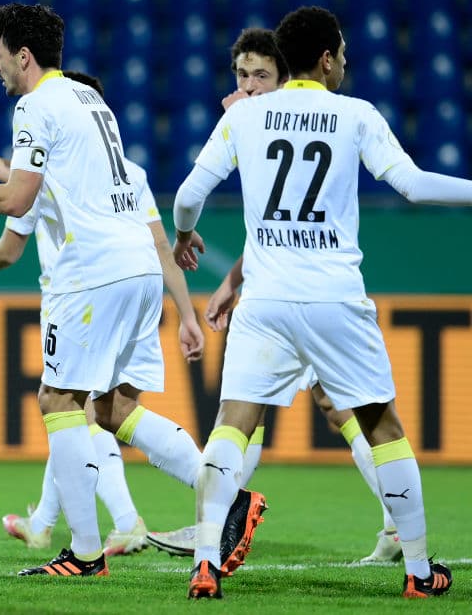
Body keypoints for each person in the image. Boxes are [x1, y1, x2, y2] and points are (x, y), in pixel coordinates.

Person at [0, 3, 269, 579]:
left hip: (91, 271)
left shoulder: (33, 105)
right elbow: (53, 178)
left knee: (57, 401)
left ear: (23, 55)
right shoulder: (88, 100)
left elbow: (19, 202)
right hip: (135, 267)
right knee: (114, 407)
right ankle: (226, 495)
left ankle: (83, 553)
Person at [172, 6, 461, 599]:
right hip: (334, 298)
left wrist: (182, 235)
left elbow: (186, 197)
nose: (346, 63)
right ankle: (417, 570)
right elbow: (411, 183)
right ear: (327, 59)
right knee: (381, 424)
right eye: (344, 54)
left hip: (267, 301)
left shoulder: (245, 118)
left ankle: (205, 561)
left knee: (232, 425)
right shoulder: (355, 114)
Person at [146, 28, 400, 565]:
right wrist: (233, 281)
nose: (249, 84)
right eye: (241, 74)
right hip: (293, 285)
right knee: (327, 407)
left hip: (307, 291)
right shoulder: (256, 118)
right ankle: (395, 527)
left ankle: (221, 518)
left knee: (254, 408)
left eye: (261, 74)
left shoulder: (270, 119)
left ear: (286, 76)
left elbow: (208, 201)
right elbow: (270, 226)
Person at [0, 71, 147, 558]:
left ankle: (115, 528)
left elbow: (16, 215)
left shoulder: (36, 111)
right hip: (133, 282)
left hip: (85, 290)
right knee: (79, 408)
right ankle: (45, 523)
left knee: (79, 409)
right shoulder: (118, 165)